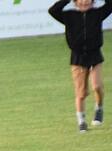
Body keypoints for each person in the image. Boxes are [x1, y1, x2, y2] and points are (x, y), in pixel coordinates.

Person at [49, 0, 112, 132]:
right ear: (76, 2)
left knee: (97, 86)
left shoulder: (98, 13)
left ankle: (99, 107)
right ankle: (81, 121)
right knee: (81, 93)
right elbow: (53, 10)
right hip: (77, 57)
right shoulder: (68, 16)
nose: (84, 2)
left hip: (94, 55)